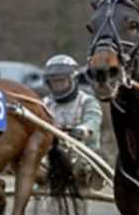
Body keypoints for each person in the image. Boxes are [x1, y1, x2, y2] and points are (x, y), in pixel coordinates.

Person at [41, 54, 104, 192]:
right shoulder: (45, 103)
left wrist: (82, 130)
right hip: (52, 157)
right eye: (54, 82)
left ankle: (89, 177)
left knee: (82, 165)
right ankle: (41, 179)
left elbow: (93, 119)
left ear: (73, 80)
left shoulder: (87, 101)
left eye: (61, 81)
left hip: (83, 152)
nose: (58, 85)